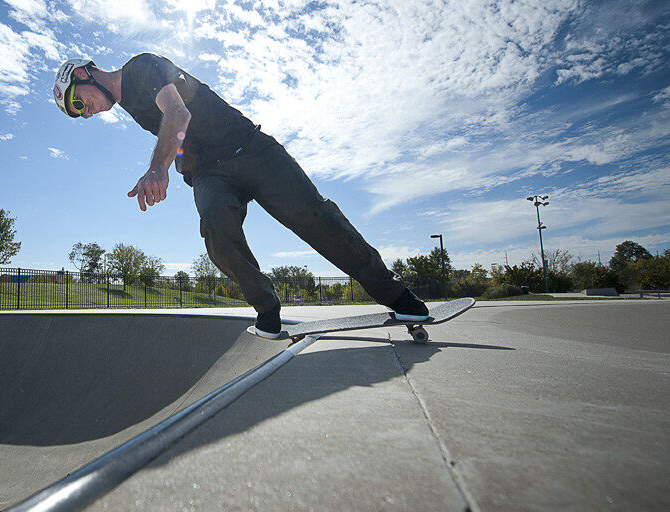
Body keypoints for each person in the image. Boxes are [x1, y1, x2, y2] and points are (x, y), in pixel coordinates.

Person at [52, 53, 430, 338]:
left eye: (79, 104)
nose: (87, 114)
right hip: (209, 173)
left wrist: (157, 168)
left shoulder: (140, 68)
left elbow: (178, 115)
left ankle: (398, 297)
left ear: (83, 74)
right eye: (79, 115)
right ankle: (267, 307)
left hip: (252, 150)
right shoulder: (131, 108)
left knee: (315, 218)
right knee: (217, 231)